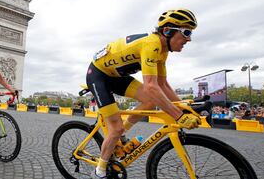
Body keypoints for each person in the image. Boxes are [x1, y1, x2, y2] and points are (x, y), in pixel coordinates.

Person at [86, 9, 201, 178]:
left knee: (149, 101)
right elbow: (151, 86)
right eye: (186, 32)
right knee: (115, 128)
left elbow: (162, 85)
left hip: (116, 77)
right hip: (98, 76)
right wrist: (178, 116)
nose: (189, 38)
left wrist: (182, 107)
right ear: (167, 31)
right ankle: (99, 171)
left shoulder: (163, 51)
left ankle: (120, 135)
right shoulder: (152, 44)